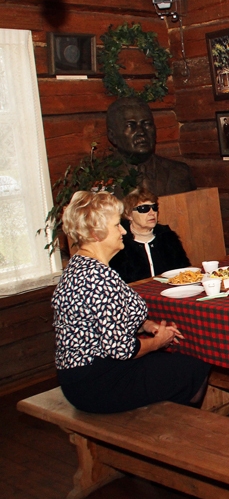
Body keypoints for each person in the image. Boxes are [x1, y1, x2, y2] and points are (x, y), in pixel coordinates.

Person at [52, 190, 210, 414]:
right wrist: (159, 341)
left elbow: (104, 320)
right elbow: (122, 349)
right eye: (117, 225)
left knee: (179, 365)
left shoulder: (80, 266)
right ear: (97, 233)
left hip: (83, 376)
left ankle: (167, 421)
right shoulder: (98, 278)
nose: (122, 231)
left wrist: (147, 325)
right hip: (98, 383)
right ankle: (171, 428)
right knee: (195, 365)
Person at [107, 97, 196, 196]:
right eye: (130, 125)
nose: (141, 132)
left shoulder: (179, 172)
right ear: (112, 136)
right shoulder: (100, 176)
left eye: (147, 124)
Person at [109, 188, 191, 283]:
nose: (152, 213)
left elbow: (184, 272)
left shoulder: (167, 238)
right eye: (144, 209)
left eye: (154, 207)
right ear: (129, 214)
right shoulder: (120, 243)